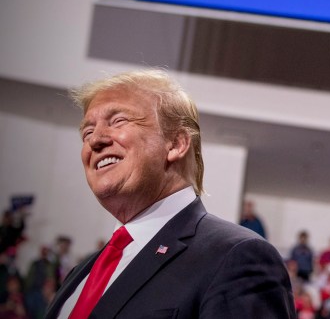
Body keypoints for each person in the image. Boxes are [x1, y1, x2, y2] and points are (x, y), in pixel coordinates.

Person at [45, 69, 296, 318]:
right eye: (87, 132)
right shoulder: (80, 274)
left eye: (118, 121)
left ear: (176, 144)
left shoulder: (236, 257)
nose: (95, 140)